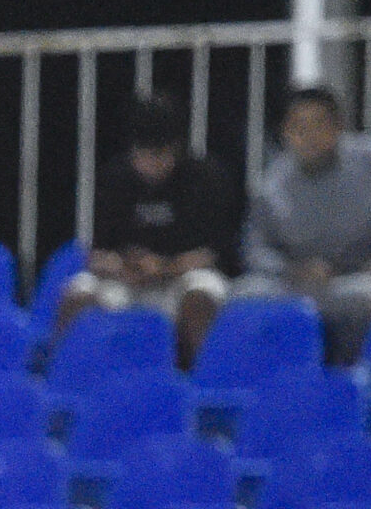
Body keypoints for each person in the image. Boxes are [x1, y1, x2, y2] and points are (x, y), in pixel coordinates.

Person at [58, 91, 239, 364]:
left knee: (200, 297)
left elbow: (214, 254)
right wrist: (124, 266)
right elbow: (96, 254)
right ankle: (74, 377)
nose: (151, 164)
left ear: (176, 149)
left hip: (181, 281)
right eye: (143, 154)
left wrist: (166, 267)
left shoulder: (205, 179)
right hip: (125, 282)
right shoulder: (115, 179)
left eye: (160, 154)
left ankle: (199, 381)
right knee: (78, 294)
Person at [238, 84, 371, 363]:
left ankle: (362, 379)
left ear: (339, 127)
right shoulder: (271, 185)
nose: (310, 136)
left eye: (319, 125)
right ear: (285, 132)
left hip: (366, 275)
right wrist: (291, 270)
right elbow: (255, 249)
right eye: (299, 127)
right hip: (296, 282)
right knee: (245, 296)